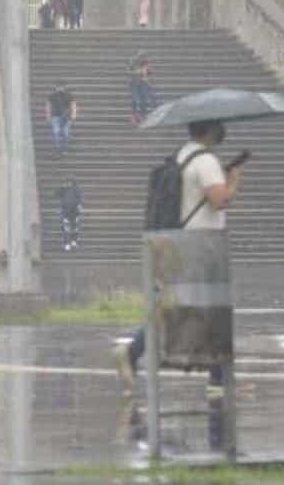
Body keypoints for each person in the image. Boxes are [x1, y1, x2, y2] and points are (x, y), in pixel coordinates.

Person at [113, 119, 245, 397]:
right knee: (212, 307)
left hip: (179, 241)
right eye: (219, 126)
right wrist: (233, 181)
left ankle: (214, 377)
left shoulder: (183, 155)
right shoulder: (206, 160)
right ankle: (216, 381)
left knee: (181, 307)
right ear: (209, 130)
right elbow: (219, 200)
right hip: (201, 244)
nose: (223, 129)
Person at [46, 82, 79, 157]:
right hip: (55, 116)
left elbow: (73, 105)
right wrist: (48, 115)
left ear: (64, 87)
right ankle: (57, 148)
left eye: (61, 87)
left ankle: (64, 148)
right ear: (56, 87)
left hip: (66, 117)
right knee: (56, 132)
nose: (59, 88)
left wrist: (74, 114)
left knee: (65, 132)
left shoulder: (68, 95)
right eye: (58, 87)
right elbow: (48, 105)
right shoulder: (52, 96)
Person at [129, 53, 158, 125]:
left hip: (143, 84)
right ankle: (134, 116)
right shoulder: (135, 68)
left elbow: (149, 76)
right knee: (135, 100)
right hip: (135, 84)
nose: (148, 65)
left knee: (143, 100)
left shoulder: (146, 69)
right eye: (146, 64)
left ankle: (142, 116)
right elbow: (132, 71)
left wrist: (146, 74)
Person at [57, 179, 84, 252]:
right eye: (67, 183)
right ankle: (67, 243)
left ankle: (73, 241)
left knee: (75, 228)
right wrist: (61, 188)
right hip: (65, 212)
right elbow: (56, 194)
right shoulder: (63, 190)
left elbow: (80, 199)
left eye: (69, 183)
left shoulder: (77, 190)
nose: (68, 184)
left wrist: (79, 206)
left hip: (74, 212)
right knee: (66, 228)